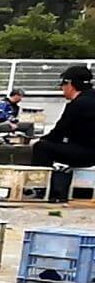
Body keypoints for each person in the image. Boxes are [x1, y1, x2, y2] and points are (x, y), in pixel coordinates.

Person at [32, 65, 95, 198]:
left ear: (70, 84)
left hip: (87, 153)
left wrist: (40, 140)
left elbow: (59, 132)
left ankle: (41, 189)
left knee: (42, 147)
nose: (62, 89)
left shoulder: (77, 105)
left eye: (63, 85)